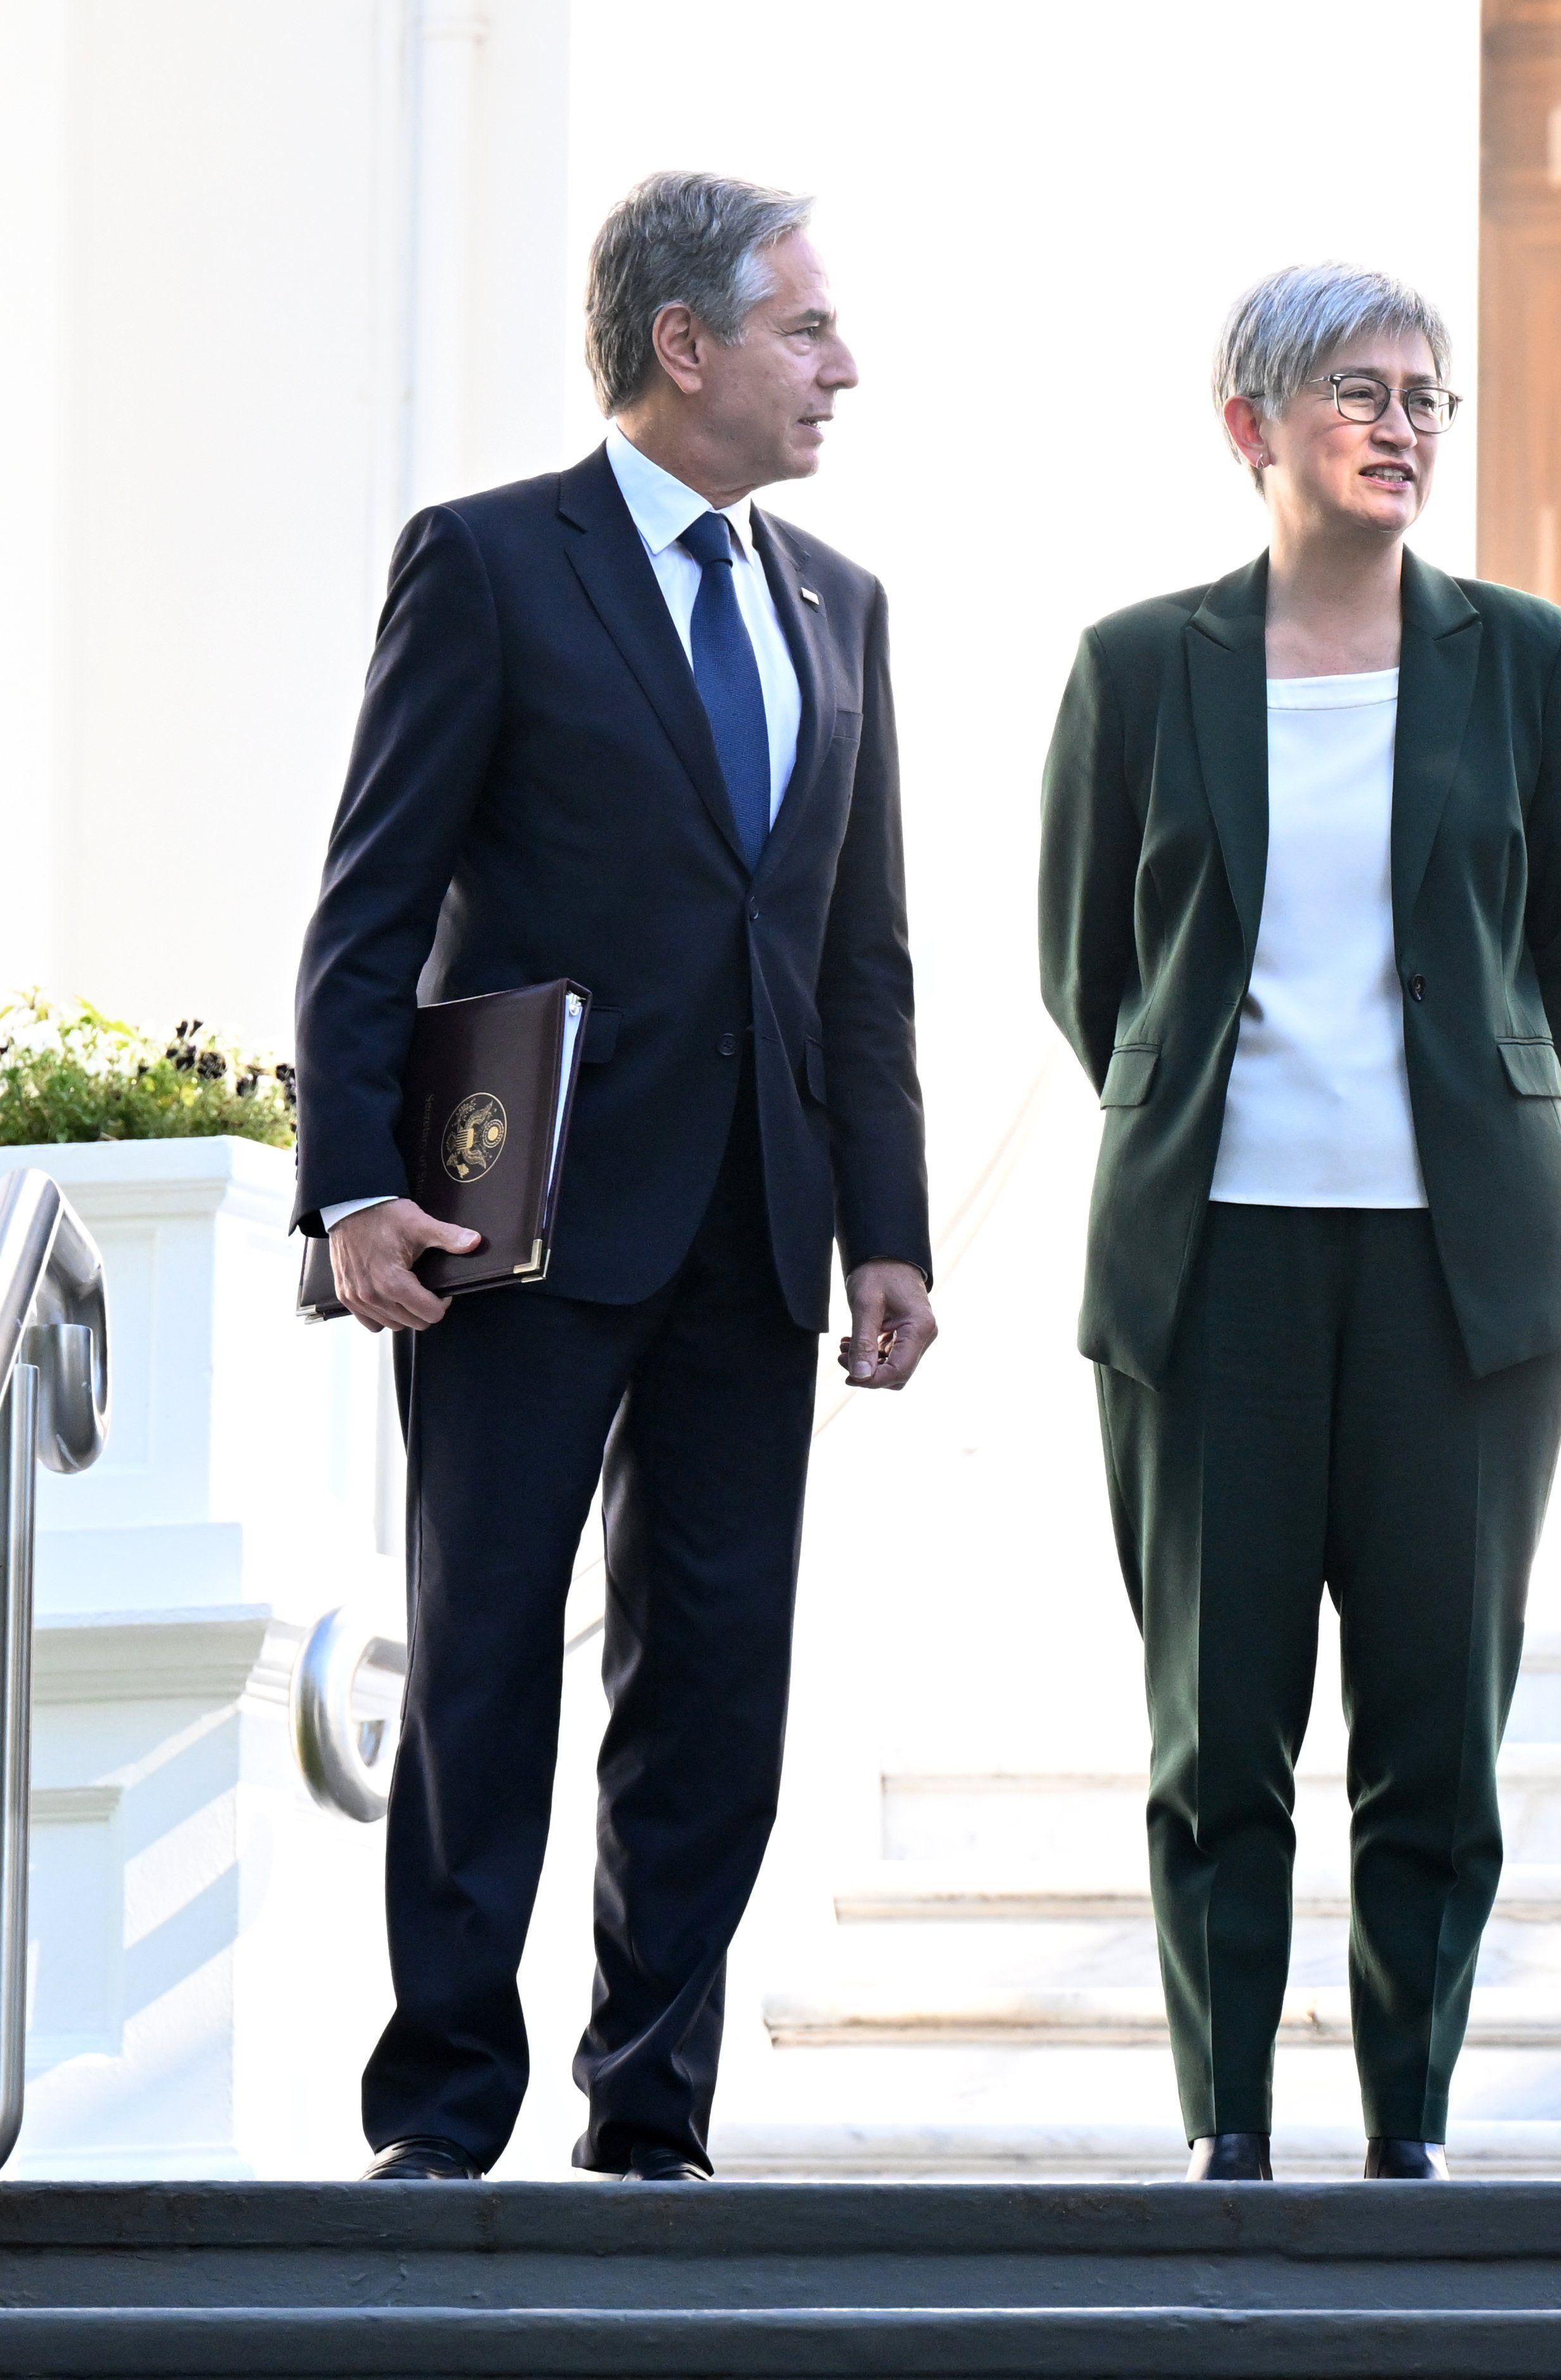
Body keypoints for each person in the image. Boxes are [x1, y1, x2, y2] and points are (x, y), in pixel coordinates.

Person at [295, 172, 936, 2182]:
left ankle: (649, 2112)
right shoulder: (489, 564)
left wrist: (891, 1229)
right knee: (482, 1656)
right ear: (684, 344)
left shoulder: (841, 601)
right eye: (805, 328)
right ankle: (442, 2115)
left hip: (756, 1232)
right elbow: (371, 902)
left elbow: (857, 948)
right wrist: (349, 1187)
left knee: (714, 1688)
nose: (843, 364)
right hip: (521, 1219)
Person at [1037, 264, 1561, 2184]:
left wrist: (1464, 1096)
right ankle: (1226, 2121)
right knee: (1219, 1731)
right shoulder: (1140, 666)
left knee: (1437, 1731)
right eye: (1359, 392)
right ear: (1253, 428)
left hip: (1468, 1273)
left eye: (1426, 395)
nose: (1401, 425)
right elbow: (1090, 969)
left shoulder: (1525, 661)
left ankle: (1409, 2127)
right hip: (1211, 1259)